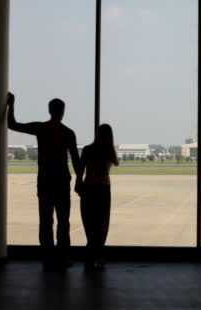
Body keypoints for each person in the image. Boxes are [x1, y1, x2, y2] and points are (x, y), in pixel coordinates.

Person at [6, 92, 83, 269]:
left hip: (45, 182)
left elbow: (12, 125)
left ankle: (48, 257)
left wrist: (12, 104)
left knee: (45, 221)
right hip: (62, 183)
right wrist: (80, 181)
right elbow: (77, 163)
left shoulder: (40, 128)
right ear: (63, 112)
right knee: (63, 222)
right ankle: (63, 258)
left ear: (49, 111)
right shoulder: (68, 133)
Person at [76, 124, 119, 270]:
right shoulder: (109, 150)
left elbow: (80, 170)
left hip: (89, 187)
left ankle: (90, 254)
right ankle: (97, 255)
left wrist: (78, 184)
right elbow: (116, 163)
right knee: (102, 224)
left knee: (88, 221)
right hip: (103, 189)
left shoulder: (87, 149)